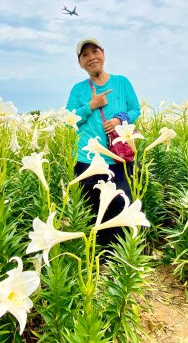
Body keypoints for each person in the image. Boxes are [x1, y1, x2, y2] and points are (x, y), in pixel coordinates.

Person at [66, 38, 141, 246]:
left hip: (118, 158)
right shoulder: (78, 90)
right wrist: (90, 105)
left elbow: (136, 110)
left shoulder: (122, 82)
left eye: (95, 52)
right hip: (86, 160)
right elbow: (68, 121)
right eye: (85, 55)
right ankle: (100, 261)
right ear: (80, 63)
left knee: (121, 207)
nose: (91, 57)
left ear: (103, 54)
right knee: (93, 211)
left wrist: (120, 119)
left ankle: (119, 259)